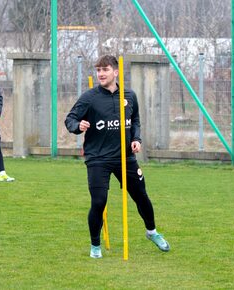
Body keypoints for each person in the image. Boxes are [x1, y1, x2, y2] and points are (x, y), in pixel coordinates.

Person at [65, 55, 170, 258]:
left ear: (116, 71)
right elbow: (70, 119)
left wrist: (136, 138)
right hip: (98, 158)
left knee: (141, 196)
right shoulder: (89, 97)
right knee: (99, 201)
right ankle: (95, 246)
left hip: (125, 157)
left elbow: (135, 120)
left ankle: (152, 232)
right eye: (98, 70)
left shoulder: (130, 95)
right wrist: (78, 126)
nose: (101, 74)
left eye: (105, 69)